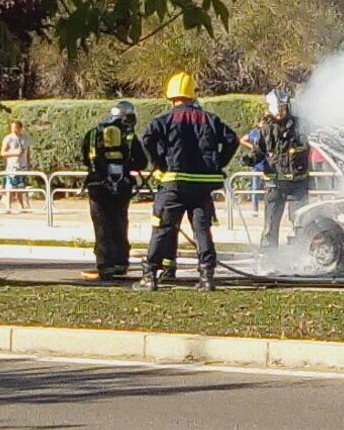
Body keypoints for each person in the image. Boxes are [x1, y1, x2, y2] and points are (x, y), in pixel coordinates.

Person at [136, 72, 238, 291]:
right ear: (193, 93)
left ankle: (149, 276)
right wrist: (217, 165)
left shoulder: (164, 120)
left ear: (171, 95)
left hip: (173, 183)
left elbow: (147, 139)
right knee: (202, 230)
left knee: (162, 229)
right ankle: (206, 277)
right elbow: (232, 139)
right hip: (201, 186)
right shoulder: (210, 119)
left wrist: (159, 163)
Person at [80, 101, 148, 280]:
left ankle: (105, 265)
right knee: (119, 222)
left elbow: (86, 159)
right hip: (122, 186)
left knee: (101, 225)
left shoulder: (93, 134)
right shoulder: (130, 137)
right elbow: (141, 162)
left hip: (97, 187)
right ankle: (120, 262)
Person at [250, 90, 311, 250]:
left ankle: (301, 256)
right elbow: (259, 151)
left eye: (283, 108)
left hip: (298, 182)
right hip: (274, 184)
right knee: (270, 225)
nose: (280, 112)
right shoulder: (266, 130)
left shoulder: (300, 126)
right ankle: (269, 259)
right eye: (278, 108)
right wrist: (252, 159)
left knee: (301, 223)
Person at [0, 120, 32, 213]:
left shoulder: (25, 138)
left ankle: (23, 206)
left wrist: (29, 163)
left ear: (20, 128)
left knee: (21, 187)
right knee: (10, 187)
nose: (13, 130)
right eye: (12, 128)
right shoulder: (8, 138)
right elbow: (2, 152)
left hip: (22, 166)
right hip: (12, 167)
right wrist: (14, 153)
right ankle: (8, 207)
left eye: (16, 128)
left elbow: (27, 152)